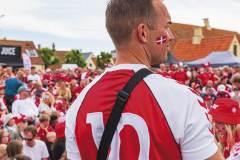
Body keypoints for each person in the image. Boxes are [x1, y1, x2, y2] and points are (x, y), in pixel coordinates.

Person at [66, 0, 223, 159]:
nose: (171, 36)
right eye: (167, 27)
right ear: (143, 33)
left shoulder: (78, 107)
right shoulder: (182, 99)